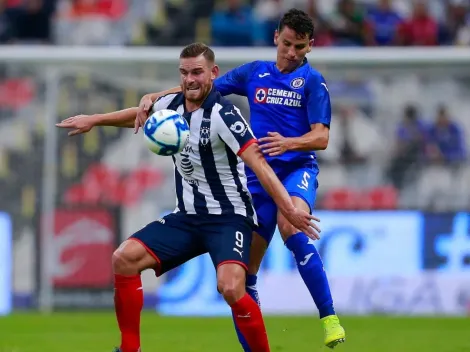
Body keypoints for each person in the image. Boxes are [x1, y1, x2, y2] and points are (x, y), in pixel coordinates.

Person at [57, 9, 345, 349]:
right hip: (210, 204)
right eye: (286, 44)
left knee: (287, 234)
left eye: (299, 46)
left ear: (309, 46)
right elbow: (192, 85)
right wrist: (98, 117)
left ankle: (329, 317)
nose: (291, 52)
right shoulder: (251, 74)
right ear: (275, 39)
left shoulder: (291, 90)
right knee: (233, 279)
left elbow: (320, 138)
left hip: (285, 173)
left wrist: (288, 146)